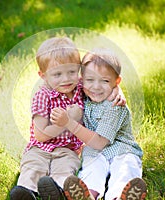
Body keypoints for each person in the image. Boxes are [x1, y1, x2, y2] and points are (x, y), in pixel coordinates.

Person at [10, 38, 126, 200]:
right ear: (43, 76)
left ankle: (57, 191)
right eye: (57, 74)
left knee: (65, 169)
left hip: (68, 149)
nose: (66, 79)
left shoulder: (79, 87)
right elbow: (41, 135)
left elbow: (101, 82)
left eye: (72, 72)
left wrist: (116, 90)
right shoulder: (42, 96)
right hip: (40, 147)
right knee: (33, 166)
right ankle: (26, 192)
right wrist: (68, 120)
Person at [51, 48, 147, 200]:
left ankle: (120, 197)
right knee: (92, 169)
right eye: (90, 80)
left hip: (122, 149)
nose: (96, 86)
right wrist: (114, 87)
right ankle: (88, 195)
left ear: (116, 81)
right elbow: (60, 85)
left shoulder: (115, 105)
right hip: (95, 153)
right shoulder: (83, 92)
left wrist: (69, 123)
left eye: (105, 81)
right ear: (82, 79)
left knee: (126, 168)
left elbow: (99, 142)